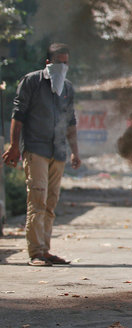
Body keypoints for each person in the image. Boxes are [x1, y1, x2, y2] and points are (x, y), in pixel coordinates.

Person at [2, 43, 82, 266]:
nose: (62, 66)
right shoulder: (31, 82)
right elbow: (18, 115)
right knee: (37, 200)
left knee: (50, 204)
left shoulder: (67, 88)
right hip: (35, 149)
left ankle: (45, 250)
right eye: (58, 62)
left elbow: (71, 122)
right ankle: (35, 253)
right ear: (48, 63)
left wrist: (75, 152)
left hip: (58, 152)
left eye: (66, 62)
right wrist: (14, 147)